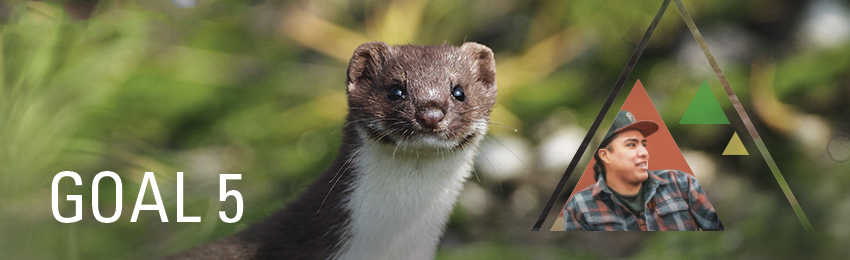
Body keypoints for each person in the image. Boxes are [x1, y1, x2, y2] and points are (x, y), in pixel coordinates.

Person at [563, 111, 724, 231]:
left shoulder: (681, 183)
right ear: (605, 155)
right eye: (631, 145)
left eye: (643, 144)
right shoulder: (580, 206)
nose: (644, 152)